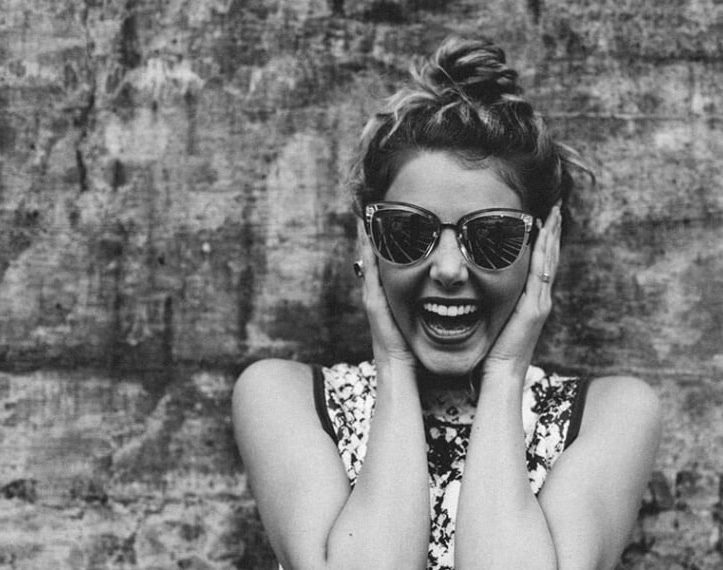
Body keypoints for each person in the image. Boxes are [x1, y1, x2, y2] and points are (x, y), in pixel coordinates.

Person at [232, 35, 661, 570]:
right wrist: (394, 365)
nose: (450, 270)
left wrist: (505, 373)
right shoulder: (282, 397)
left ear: (540, 248)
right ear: (368, 242)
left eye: (494, 235)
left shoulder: (613, 415)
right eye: (409, 231)